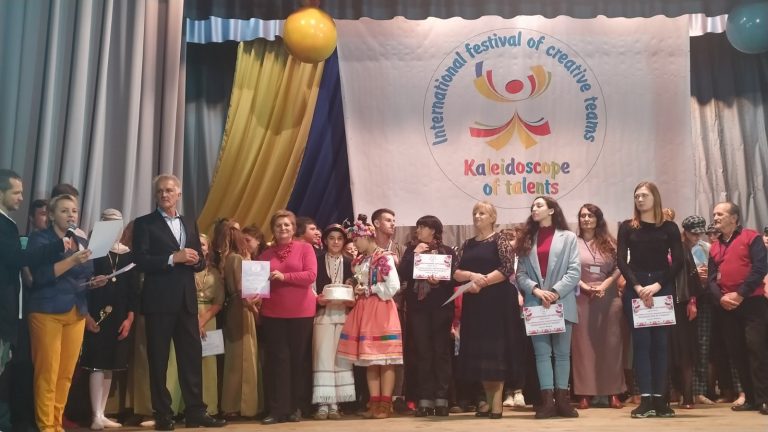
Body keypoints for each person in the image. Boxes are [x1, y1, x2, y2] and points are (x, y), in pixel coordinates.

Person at [132, 174, 225, 430]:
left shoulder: (188, 222)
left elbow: (199, 261)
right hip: (158, 302)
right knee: (159, 361)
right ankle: (163, 415)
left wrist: (196, 261)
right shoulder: (144, 223)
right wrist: (173, 258)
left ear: (178, 194)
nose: (164, 194)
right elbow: (140, 260)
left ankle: (196, 411)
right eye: (160, 191)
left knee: (191, 359)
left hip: (186, 302)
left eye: (169, 190)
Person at [27, 194, 107, 432]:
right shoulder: (40, 239)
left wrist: (94, 281)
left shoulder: (81, 239)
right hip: (47, 310)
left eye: (74, 210)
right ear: (52, 215)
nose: (71, 215)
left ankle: (56, 423)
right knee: (47, 373)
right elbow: (40, 276)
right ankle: (45, 426)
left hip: (76, 312)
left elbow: (84, 274)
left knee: (66, 374)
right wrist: (72, 261)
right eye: (64, 211)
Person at [0, 170, 67, 432]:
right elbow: (17, 258)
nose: (21, 197)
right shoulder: (4, 225)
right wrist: (58, 246)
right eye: (16, 192)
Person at [617, 181, 683, 418]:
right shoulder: (627, 227)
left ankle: (660, 399)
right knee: (642, 343)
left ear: (655, 197)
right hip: (636, 287)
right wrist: (636, 285)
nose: (640, 199)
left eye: (644, 195)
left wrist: (657, 285)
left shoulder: (669, 227)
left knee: (661, 344)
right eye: (637, 196)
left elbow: (678, 261)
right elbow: (621, 260)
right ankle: (645, 399)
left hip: (661, 286)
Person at [453, 201, 521, 419]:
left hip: (497, 302)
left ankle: (497, 403)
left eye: (482, 213)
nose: (477, 216)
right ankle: (488, 401)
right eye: (475, 212)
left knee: (495, 351)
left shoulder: (500, 240)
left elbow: (507, 268)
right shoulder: (467, 243)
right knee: (479, 352)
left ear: (493, 218)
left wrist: (481, 283)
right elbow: (455, 271)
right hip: (474, 304)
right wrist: (471, 277)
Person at [516, 196, 581, 419]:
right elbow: (520, 274)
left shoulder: (568, 237)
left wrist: (554, 292)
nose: (534, 209)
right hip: (536, 303)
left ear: (551, 210)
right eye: (533, 206)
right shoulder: (527, 239)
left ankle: (562, 401)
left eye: (539, 205)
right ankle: (546, 402)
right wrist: (536, 291)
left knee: (562, 354)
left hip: (561, 300)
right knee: (541, 354)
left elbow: (574, 271)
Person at [336, 215, 403, 419]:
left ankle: (385, 404)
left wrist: (369, 289)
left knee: (385, 359)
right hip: (365, 309)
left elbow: (393, 286)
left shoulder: (384, 257)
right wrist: (356, 287)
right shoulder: (360, 260)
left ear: (367, 237)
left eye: (356, 240)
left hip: (381, 308)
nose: (355, 244)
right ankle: (374, 403)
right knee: (370, 359)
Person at [81, 209, 139, 430]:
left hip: (120, 315)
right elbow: (81, 284)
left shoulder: (128, 254)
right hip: (96, 312)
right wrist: (86, 314)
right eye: (108, 223)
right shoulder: (92, 252)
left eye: (117, 224)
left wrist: (130, 318)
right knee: (97, 362)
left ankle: (102, 412)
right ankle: (95, 414)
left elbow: (133, 290)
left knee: (111, 364)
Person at [708, 202, 768, 415]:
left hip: (752, 302)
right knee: (737, 352)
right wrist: (721, 298)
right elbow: (711, 279)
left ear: (734, 218)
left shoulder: (752, 237)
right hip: (727, 306)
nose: (715, 217)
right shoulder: (714, 246)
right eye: (714, 214)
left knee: (757, 349)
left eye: (720, 214)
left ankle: (764, 398)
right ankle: (750, 398)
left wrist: (740, 293)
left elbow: (760, 268)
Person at [257, 210, 317, 425]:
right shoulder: (265, 254)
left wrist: (285, 276)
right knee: (277, 361)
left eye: (287, 225)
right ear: (273, 230)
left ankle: (296, 407)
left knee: (298, 361)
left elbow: (311, 275)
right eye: (278, 225)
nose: (283, 228)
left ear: (293, 228)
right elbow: (258, 284)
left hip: (301, 313)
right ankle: (277, 409)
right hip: (273, 313)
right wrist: (250, 293)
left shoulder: (305, 248)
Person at [399, 215, 457, 417]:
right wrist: (415, 253)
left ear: (433, 230)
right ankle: (424, 399)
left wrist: (439, 281)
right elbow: (402, 273)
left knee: (441, 352)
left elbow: (454, 278)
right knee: (423, 353)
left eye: (422, 227)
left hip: (441, 308)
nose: (418, 231)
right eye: (417, 227)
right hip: (418, 309)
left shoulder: (447, 251)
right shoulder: (411, 250)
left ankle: (442, 399)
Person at [571, 203, 625, 410]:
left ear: (598, 219)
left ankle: (614, 392)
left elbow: (620, 267)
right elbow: (567, 268)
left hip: (608, 297)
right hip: (582, 297)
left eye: (590, 216)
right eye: (583, 216)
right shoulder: (572, 242)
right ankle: (585, 393)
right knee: (583, 347)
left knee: (611, 346)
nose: (586, 219)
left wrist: (605, 285)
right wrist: (583, 286)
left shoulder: (610, 242)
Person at [213, 219, 261, 418]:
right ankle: (242, 405)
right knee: (244, 356)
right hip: (242, 309)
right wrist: (256, 307)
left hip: (232, 308)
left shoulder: (227, 259)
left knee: (234, 357)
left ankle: (231, 404)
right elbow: (245, 291)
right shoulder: (238, 259)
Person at [312, 224, 356, 420]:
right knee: (322, 357)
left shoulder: (351, 263)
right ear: (325, 241)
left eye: (339, 238)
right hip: (323, 315)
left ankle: (336, 404)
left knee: (341, 359)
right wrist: (317, 299)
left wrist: (353, 299)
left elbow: (357, 287)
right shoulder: (316, 260)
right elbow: (311, 287)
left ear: (344, 241)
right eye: (332, 238)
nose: (336, 242)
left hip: (344, 315)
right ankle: (323, 403)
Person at [670, 215, 707, 410]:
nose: (697, 236)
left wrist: (693, 300)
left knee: (685, 350)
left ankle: (687, 395)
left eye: (700, 233)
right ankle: (678, 393)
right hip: (674, 302)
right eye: (694, 233)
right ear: (684, 231)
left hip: (685, 302)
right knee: (675, 349)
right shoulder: (677, 247)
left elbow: (696, 278)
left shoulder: (696, 249)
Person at [195, 233, 224, 416]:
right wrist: (194, 321)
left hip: (209, 318)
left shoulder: (215, 272)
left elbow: (219, 301)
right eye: (196, 244)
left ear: (208, 249)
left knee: (208, 363)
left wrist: (202, 320)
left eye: (203, 244)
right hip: (187, 318)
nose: (200, 247)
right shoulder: (183, 270)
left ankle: (209, 407)